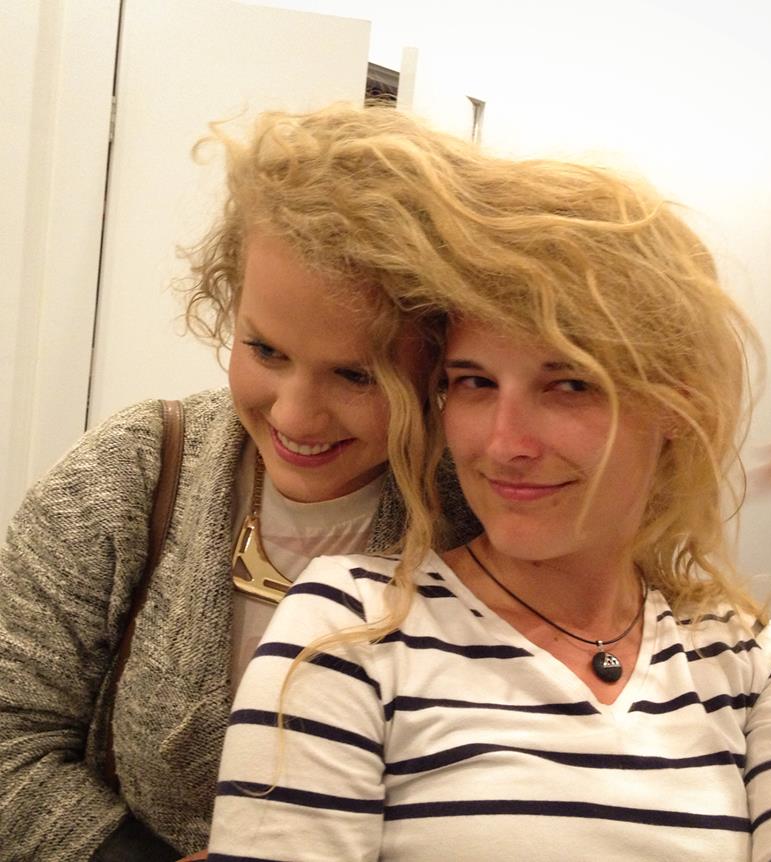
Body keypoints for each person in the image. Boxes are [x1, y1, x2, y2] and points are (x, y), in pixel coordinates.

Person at [204, 111, 771, 861]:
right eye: (474, 382)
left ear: (676, 408)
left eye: (569, 385)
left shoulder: (747, 665)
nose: (504, 444)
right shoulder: (349, 631)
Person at [0, 106, 480, 862]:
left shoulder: (476, 514)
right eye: (265, 351)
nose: (294, 415)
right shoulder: (127, 477)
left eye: (356, 375)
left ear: (440, 361)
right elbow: (12, 736)